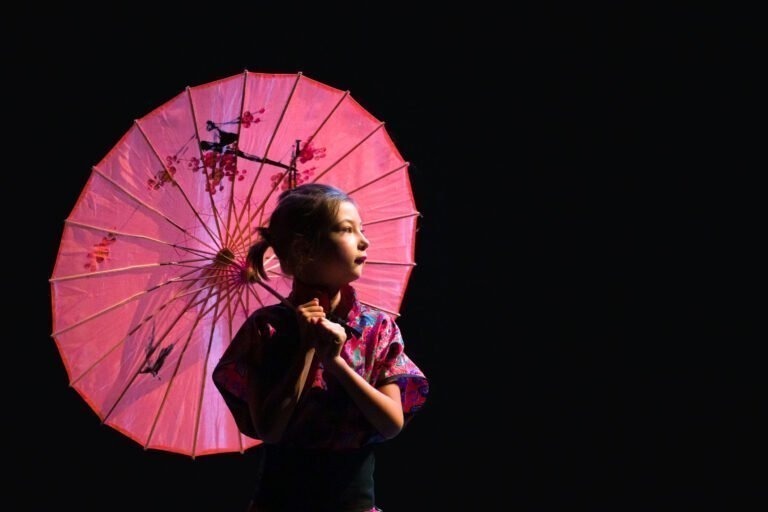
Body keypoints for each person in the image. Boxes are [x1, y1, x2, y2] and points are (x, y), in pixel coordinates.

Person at [212, 183, 429, 512]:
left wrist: (337, 363)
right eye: (346, 229)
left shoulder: (376, 328)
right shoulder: (267, 329)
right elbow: (269, 429)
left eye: (362, 229)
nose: (363, 240)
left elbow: (391, 423)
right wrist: (306, 350)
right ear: (303, 250)